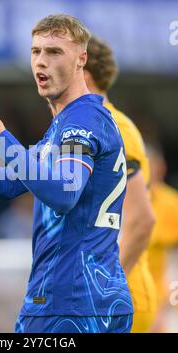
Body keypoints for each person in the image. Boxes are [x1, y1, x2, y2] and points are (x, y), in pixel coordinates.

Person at [0, 14, 133, 333]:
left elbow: (64, 193)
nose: (41, 62)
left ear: (81, 59)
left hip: (70, 302)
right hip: (89, 298)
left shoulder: (82, 121)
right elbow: (10, 183)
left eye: (54, 52)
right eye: (36, 52)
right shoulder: (64, 126)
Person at [84, 36, 156, 333]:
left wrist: (105, 291)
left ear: (82, 71)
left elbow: (141, 220)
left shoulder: (114, 127)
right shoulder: (84, 126)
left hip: (118, 301)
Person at [146, 144, 178, 332]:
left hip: (162, 303)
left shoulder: (172, 204)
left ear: (162, 167)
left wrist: (167, 306)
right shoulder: (120, 201)